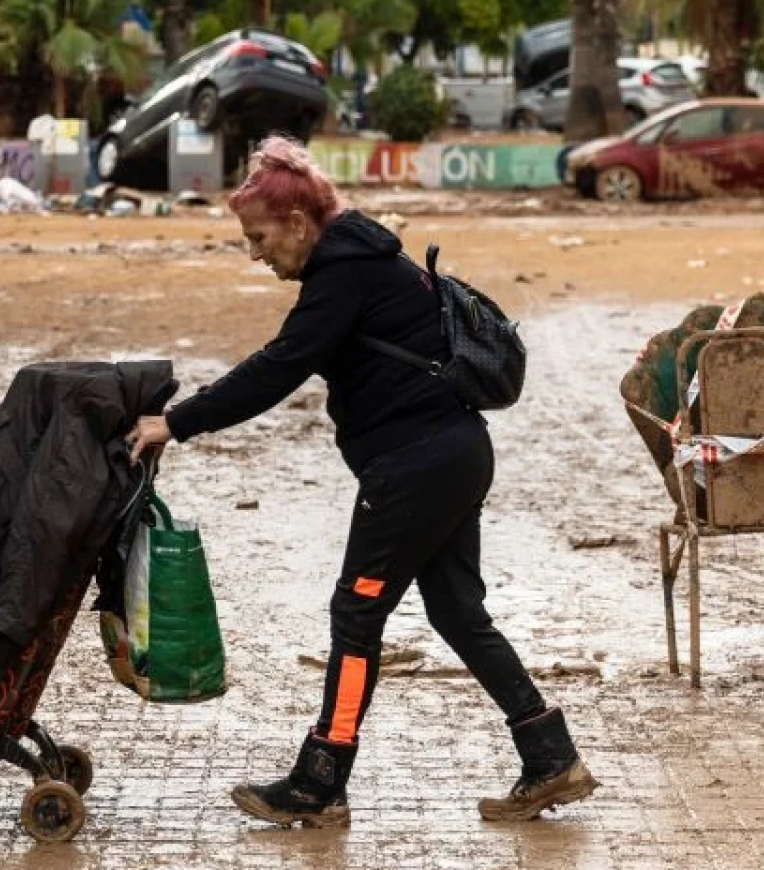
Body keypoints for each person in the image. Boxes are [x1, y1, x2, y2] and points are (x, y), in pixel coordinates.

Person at [128, 137, 596, 828]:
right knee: (457, 613)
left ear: (296, 224)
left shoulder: (342, 274)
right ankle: (551, 755)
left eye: (258, 238)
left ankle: (321, 779)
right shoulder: (367, 257)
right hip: (455, 454)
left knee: (356, 616)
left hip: (415, 469)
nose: (255, 253)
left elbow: (278, 367)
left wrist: (178, 422)